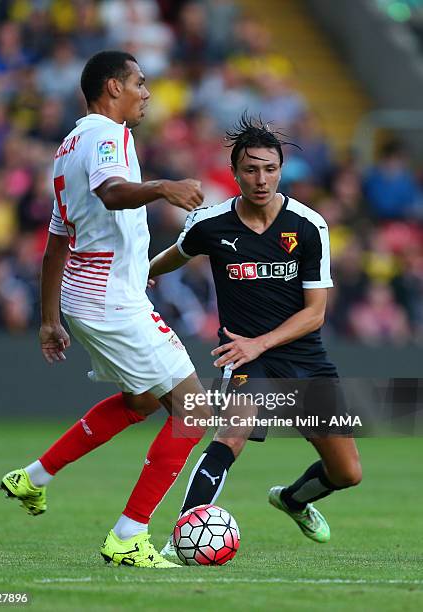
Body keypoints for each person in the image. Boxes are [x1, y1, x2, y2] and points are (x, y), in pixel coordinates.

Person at [0, 50, 210, 569]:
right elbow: (113, 193)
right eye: (140, 82)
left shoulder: (68, 146)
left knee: (140, 403)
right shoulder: (104, 137)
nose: (147, 92)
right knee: (196, 410)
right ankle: (128, 536)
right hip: (110, 299)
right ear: (113, 87)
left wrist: (50, 319)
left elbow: (55, 243)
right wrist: (164, 186)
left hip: (85, 296)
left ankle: (34, 477)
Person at [146, 114, 363, 558]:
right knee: (230, 434)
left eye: (269, 168)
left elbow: (316, 314)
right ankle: (180, 538)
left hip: (303, 356)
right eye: (250, 169)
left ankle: (291, 500)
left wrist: (259, 341)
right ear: (235, 173)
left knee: (346, 473)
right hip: (246, 359)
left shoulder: (308, 226)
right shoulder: (210, 223)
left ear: (280, 170)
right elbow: (177, 253)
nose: (260, 178)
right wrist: (143, 275)